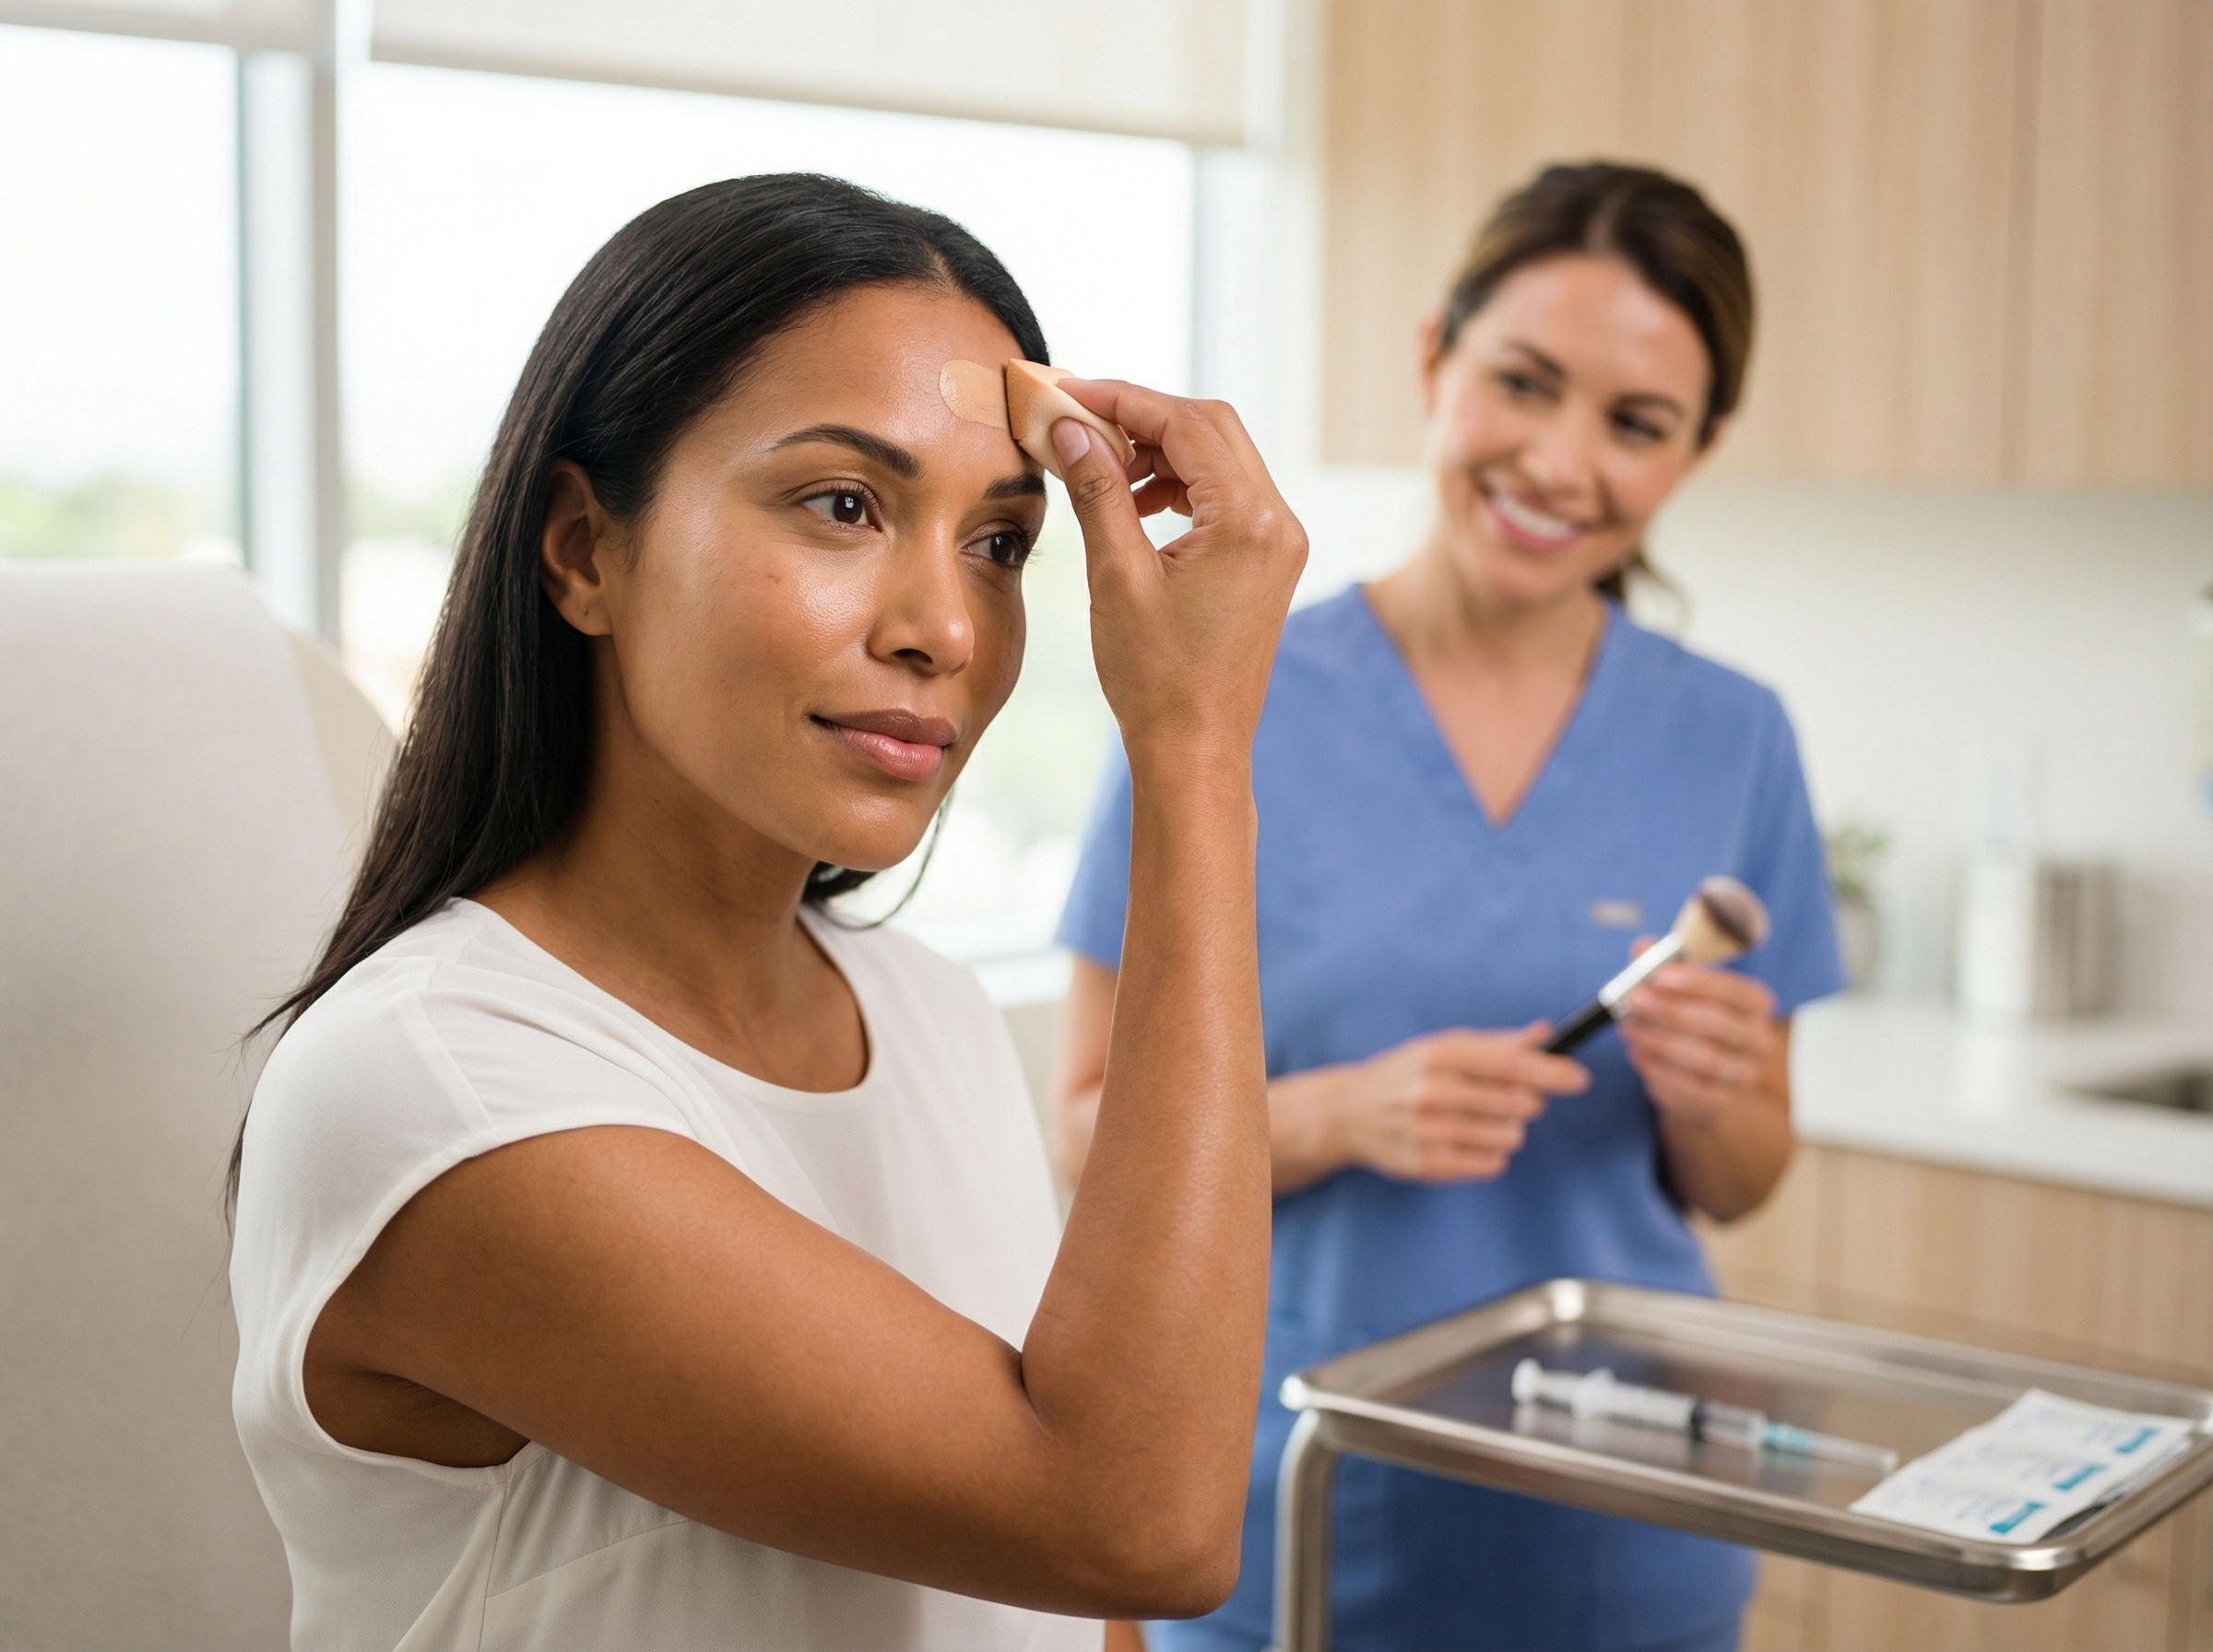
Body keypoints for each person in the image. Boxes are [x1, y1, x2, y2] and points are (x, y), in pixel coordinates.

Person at [227, 174, 1307, 1651]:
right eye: (844, 504)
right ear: (583, 551)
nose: (940, 628)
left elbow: (1074, 1618)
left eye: (999, 544)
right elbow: (1132, 1525)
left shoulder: (928, 1013)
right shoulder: (441, 1088)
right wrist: (1194, 755)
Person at [1053, 162, 1845, 1652]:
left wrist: (1716, 1092)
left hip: (1623, 1529)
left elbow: (1742, 1178)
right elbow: (1084, 1132)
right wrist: (1343, 1114)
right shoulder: (1228, 701)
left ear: (1699, 449)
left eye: (1636, 423)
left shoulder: (1737, 737)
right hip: (1289, 1514)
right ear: (1435, 359)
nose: (1560, 461)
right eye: (1523, 384)